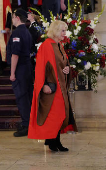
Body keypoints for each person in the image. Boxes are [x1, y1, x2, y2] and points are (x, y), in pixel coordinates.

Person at [28, 20, 77, 152]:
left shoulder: (59, 45)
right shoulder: (46, 45)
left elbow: (64, 64)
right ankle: (53, 142)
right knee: (54, 116)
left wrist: (67, 69)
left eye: (65, 30)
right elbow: (40, 68)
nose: (64, 33)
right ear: (55, 31)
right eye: (62, 30)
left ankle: (54, 142)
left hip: (60, 86)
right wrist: (43, 85)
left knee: (59, 115)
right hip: (52, 87)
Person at [6, 9, 33, 137]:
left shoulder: (17, 33)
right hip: (27, 67)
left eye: (12, 18)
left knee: (22, 97)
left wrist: (12, 73)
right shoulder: (27, 32)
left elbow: (15, 54)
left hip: (20, 69)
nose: (12, 20)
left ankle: (26, 125)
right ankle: (28, 123)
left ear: (17, 17)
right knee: (27, 97)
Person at [0, 0, 12, 75]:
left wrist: (7, 26)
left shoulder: (4, 0)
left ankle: (1, 66)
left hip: (0, 25)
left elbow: (9, 13)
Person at [27, 9, 42, 79]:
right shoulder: (33, 25)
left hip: (34, 49)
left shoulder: (34, 26)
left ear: (32, 16)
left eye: (29, 14)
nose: (27, 15)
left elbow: (33, 39)